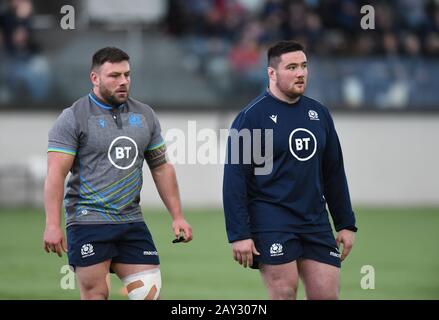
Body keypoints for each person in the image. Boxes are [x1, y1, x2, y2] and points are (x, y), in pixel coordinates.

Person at [43, 47, 193, 300]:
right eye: (114, 75)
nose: (123, 81)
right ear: (95, 78)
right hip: (88, 220)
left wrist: (177, 216)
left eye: (127, 74)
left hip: (131, 221)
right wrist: (52, 225)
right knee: (96, 294)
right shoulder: (73, 117)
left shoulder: (145, 115)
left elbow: (161, 167)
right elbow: (55, 175)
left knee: (149, 293)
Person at [223, 40, 357, 300]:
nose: (301, 73)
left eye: (304, 66)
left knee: (326, 295)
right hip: (272, 220)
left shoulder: (319, 114)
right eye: (292, 67)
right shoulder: (251, 117)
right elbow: (235, 179)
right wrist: (239, 234)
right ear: (271, 73)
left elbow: (334, 172)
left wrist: (345, 223)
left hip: (314, 221)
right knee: (284, 292)